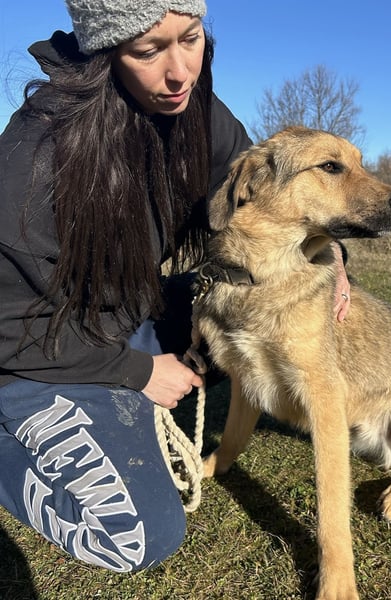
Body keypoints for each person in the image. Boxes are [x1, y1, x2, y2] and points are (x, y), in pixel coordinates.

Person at [0, 0, 350, 573]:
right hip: (38, 352)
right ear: (104, 54)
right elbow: (9, 327)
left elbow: (262, 199)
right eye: (148, 50)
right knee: (135, 537)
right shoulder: (32, 161)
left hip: (123, 316)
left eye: (190, 38)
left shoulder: (196, 112)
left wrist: (329, 249)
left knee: (244, 323)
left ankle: (121, 405)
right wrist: (138, 372)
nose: (180, 72)